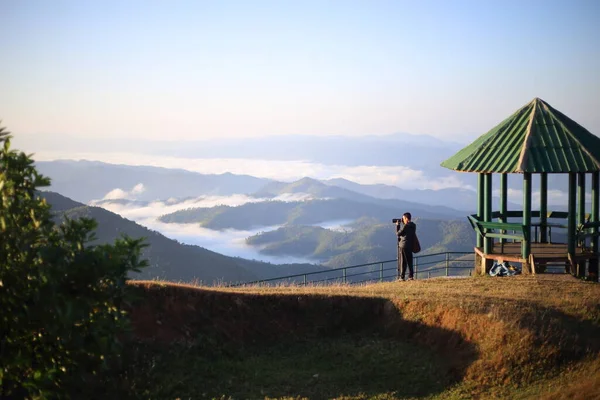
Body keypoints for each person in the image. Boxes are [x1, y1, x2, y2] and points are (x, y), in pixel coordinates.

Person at [396, 212, 416, 281]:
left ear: (406, 218)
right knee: (410, 261)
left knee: (403, 262)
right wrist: (404, 223)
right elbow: (407, 233)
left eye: (404, 218)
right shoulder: (413, 225)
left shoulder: (405, 226)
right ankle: (411, 276)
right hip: (410, 245)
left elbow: (398, 233)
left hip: (403, 246)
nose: (403, 219)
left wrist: (398, 225)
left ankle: (402, 277)